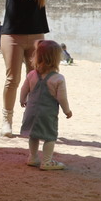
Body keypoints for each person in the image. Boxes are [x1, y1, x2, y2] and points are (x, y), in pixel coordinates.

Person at [0, 0, 57, 137]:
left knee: (36, 79)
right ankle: (7, 120)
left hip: (36, 36)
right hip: (12, 36)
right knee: (13, 78)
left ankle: (31, 120)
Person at [19, 39, 73, 170]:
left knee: (33, 134)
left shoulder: (32, 74)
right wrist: (67, 111)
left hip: (31, 111)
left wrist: (22, 100)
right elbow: (62, 98)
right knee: (50, 136)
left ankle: (33, 157)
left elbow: (24, 89)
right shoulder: (58, 78)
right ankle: (47, 161)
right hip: (47, 113)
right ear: (56, 59)